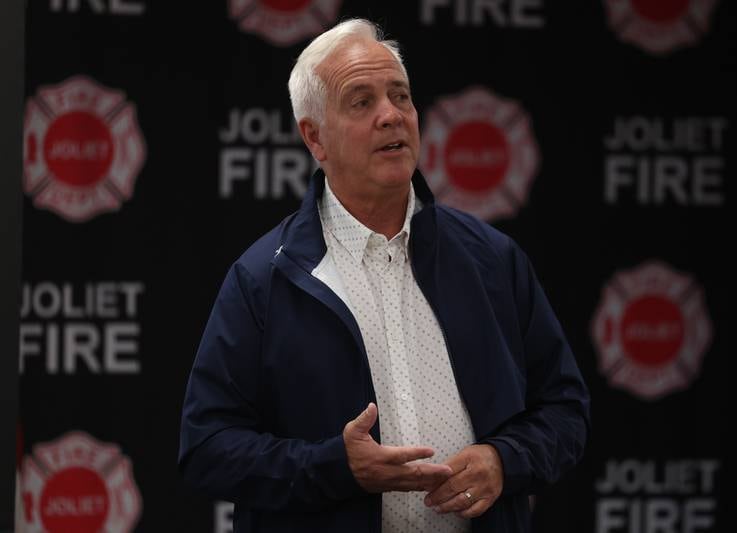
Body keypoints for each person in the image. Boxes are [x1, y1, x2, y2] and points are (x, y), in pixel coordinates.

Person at [178, 18, 590, 533]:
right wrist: (336, 466)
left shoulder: (492, 260)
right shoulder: (265, 278)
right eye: (361, 102)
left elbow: (565, 409)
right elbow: (208, 447)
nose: (391, 116)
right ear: (315, 137)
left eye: (401, 96)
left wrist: (505, 460)